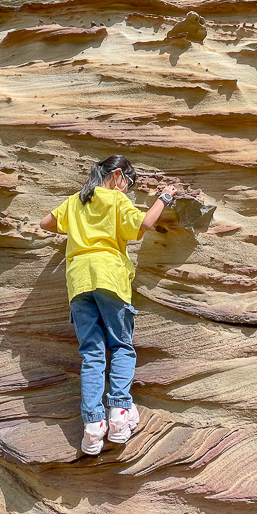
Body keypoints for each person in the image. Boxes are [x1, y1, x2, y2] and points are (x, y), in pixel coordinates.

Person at [40, 155, 177, 455]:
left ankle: (92, 428)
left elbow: (46, 223)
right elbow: (145, 223)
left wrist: (77, 233)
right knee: (121, 346)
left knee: (91, 353)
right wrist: (164, 196)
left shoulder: (76, 201)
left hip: (78, 282)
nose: (126, 189)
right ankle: (118, 415)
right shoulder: (116, 201)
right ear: (116, 175)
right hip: (110, 278)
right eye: (128, 183)